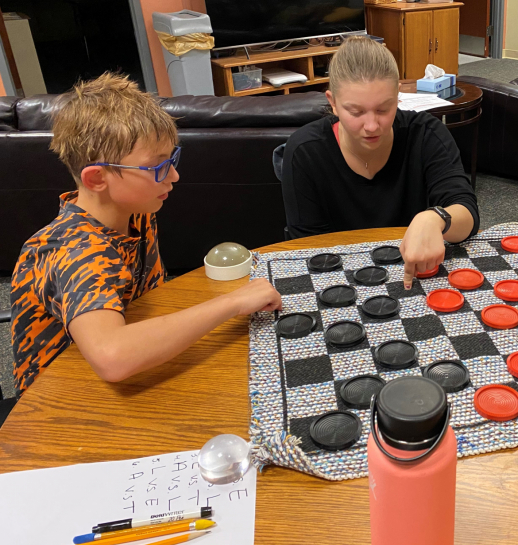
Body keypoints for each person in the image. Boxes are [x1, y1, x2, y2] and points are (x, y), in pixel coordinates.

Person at [10, 73, 281, 395]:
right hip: (62, 401)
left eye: (172, 159)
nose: (175, 176)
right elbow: (114, 356)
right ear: (97, 178)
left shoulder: (136, 213)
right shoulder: (76, 251)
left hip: (128, 375)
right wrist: (234, 302)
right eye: (158, 167)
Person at [276, 36, 480, 289]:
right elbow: (306, 249)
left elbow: (468, 213)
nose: (372, 126)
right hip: (337, 282)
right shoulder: (305, 151)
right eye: (356, 112)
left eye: (384, 109)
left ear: (398, 98)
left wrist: (436, 217)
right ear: (333, 103)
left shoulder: (427, 134)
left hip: (416, 274)